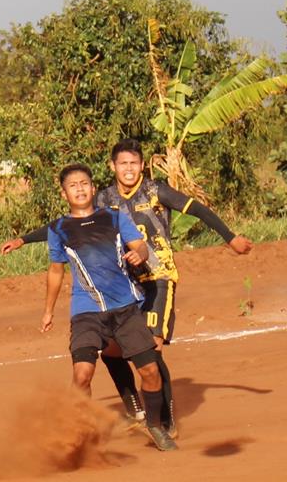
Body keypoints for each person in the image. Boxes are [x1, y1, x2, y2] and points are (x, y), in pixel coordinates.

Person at [1, 139, 253, 437]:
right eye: (123, 164)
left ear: (142, 165)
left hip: (158, 278)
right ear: (113, 167)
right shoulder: (105, 198)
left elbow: (198, 210)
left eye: (134, 163)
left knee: (152, 350)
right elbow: (67, 223)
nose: (129, 169)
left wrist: (230, 237)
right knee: (111, 350)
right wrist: (24, 239)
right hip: (125, 284)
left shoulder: (156, 191)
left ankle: (165, 420)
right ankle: (133, 404)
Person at [43, 163, 177, 451]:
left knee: (151, 371)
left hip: (126, 308)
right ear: (64, 193)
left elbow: (139, 244)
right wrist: (48, 310)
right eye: (72, 185)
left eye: (84, 183)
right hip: (86, 312)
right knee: (82, 374)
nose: (79, 188)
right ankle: (78, 431)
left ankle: (154, 425)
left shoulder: (114, 217)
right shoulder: (58, 229)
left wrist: (139, 254)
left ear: (93, 189)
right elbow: (56, 271)